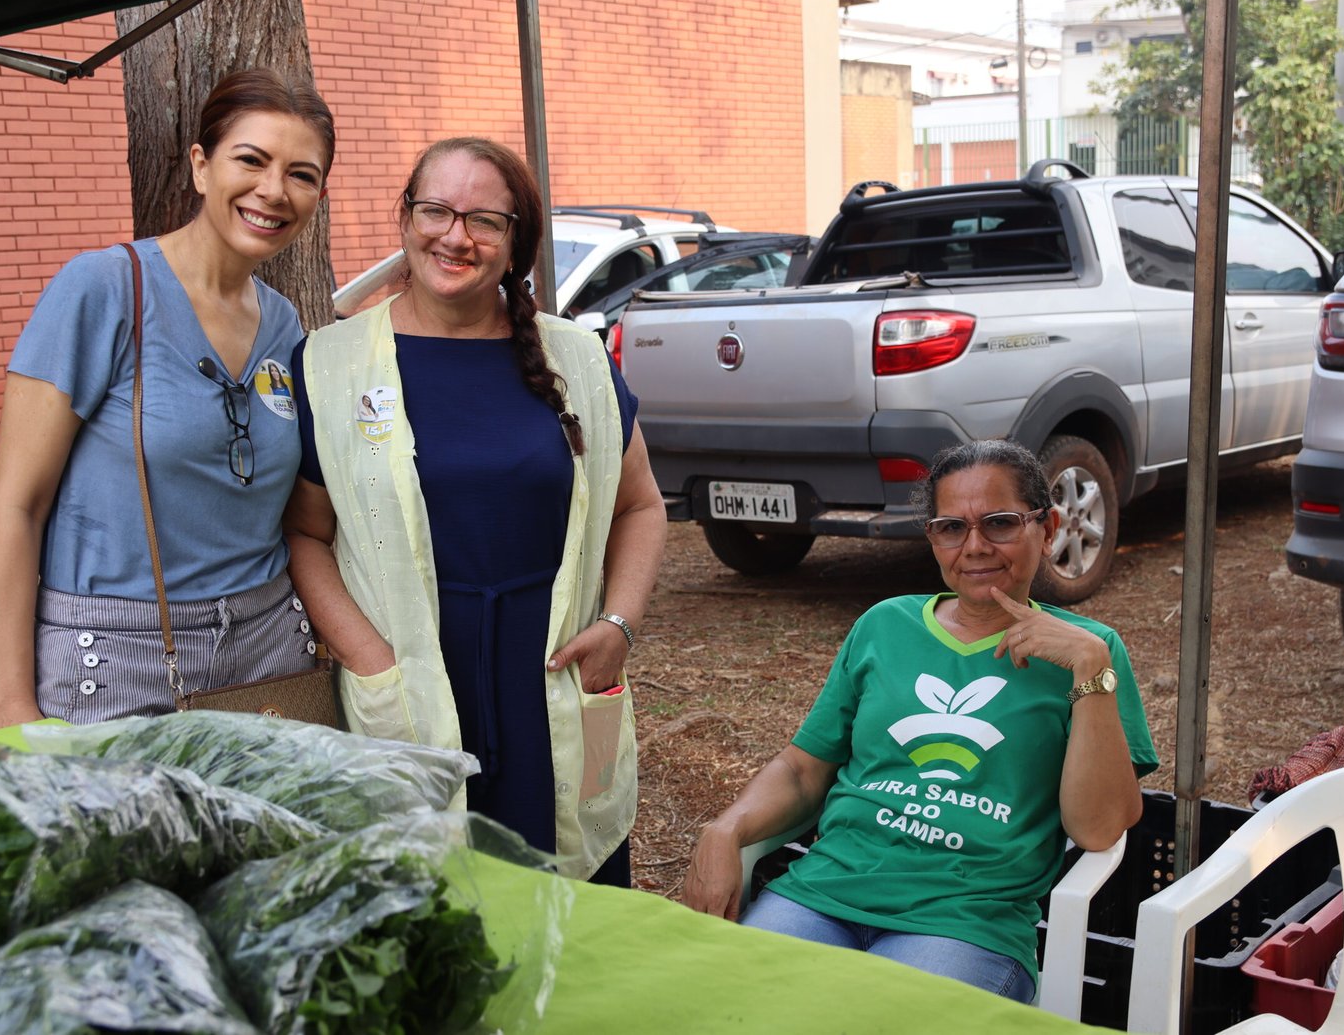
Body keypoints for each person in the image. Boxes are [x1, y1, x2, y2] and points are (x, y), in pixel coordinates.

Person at [283, 137, 666, 885]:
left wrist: (618, 624)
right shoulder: (331, 364)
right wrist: (370, 658)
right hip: (416, 678)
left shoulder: (574, 358)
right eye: (436, 210)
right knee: (434, 912)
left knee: (577, 915)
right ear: (405, 218)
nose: (456, 236)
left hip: (552, 675)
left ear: (515, 241)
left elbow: (642, 504)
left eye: (485, 219)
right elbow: (306, 532)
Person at [681, 438, 1157, 1001]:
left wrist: (1089, 671)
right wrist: (725, 829)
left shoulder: (1091, 651)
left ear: (1048, 528)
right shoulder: (886, 625)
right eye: (951, 527)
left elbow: (1100, 827)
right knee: (725, 1002)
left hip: (964, 923)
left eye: (1000, 523)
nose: (975, 547)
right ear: (932, 536)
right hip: (823, 894)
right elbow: (802, 770)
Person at [0, 69, 334, 728]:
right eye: (250, 160)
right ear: (202, 167)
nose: (273, 190)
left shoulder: (286, 325)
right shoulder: (104, 291)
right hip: (120, 657)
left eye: (302, 174)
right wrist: (11, 706)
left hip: (269, 652)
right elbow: (15, 506)